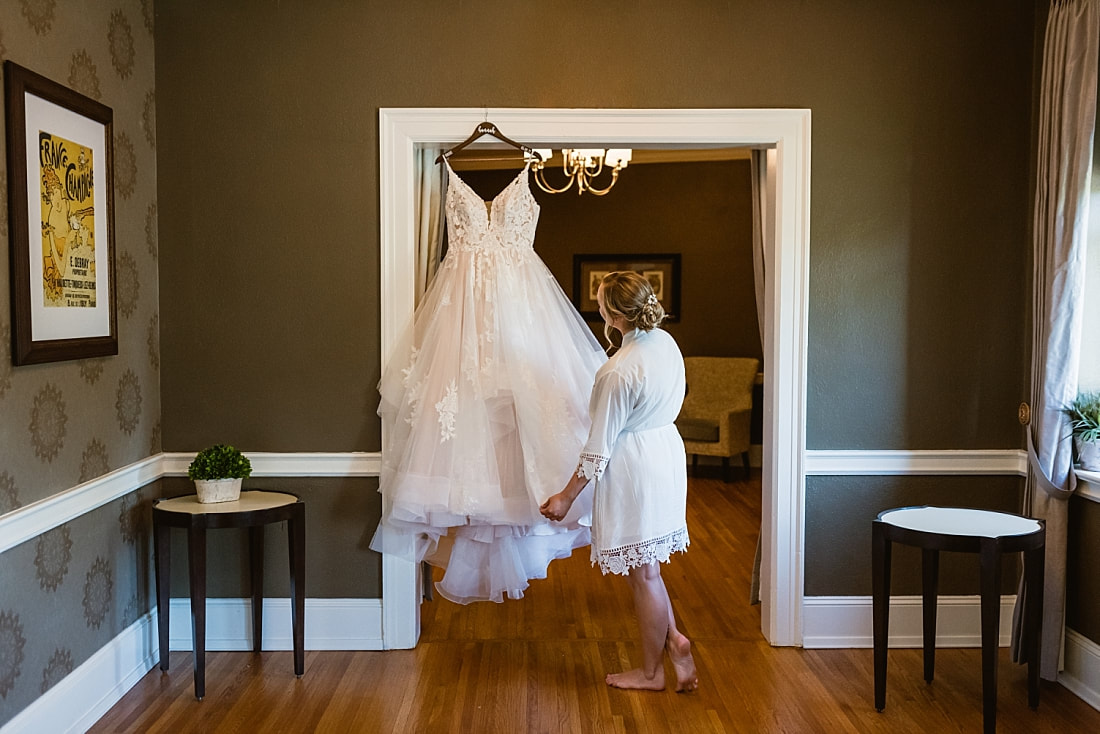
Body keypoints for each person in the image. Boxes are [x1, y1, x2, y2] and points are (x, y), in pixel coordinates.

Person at [540, 271, 698, 692]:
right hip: (665, 453)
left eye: (599, 300)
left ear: (611, 313)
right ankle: (674, 641)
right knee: (649, 566)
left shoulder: (617, 370)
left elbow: (598, 448)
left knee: (644, 574)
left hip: (636, 469)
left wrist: (565, 497)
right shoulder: (665, 343)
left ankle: (651, 673)